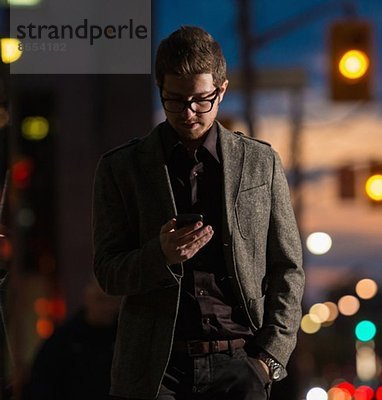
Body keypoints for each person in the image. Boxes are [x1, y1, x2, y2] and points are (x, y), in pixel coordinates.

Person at [92, 26, 304, 400]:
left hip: (240, 362)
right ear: (160, 89)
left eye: (200, 100)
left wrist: (268, 360)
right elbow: (108, 273)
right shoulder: (121, 169)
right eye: (174, 100)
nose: (188, 113)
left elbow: (287, 268)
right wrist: (161, 255)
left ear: (221, 90)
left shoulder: (260, 163)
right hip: (155, 372)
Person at [23, 280, 121, 400]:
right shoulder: (63, 338)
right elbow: (41, 381)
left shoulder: (124, 341)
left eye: (112, 301)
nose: (106, 307)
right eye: (100, 299)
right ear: (87, 298)